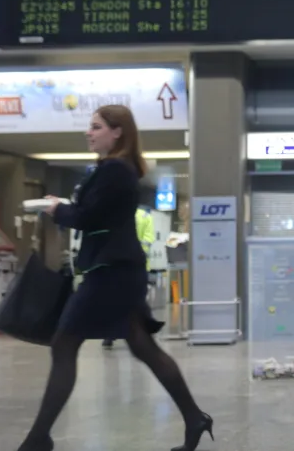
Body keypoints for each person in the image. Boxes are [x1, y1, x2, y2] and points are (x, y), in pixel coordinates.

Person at [18, 106, 212, 451]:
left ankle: (38, 438)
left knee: (65, 343)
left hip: (111, 273)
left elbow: (91, 218)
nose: (88, 133)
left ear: (117, 131)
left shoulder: (115, 170)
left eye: (96, 127)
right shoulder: (115, 170)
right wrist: (63, 206)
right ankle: (195, 418)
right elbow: (99, 214)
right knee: (143, 347)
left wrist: (57, 210)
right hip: (118, 270)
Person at [103, 206, 157, 349]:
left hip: (120, 265)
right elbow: (148, 240)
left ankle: (111, 336)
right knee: (136, 301)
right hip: (136, 266)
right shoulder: (145, 216)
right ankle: (143, 332)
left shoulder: (116, 215)